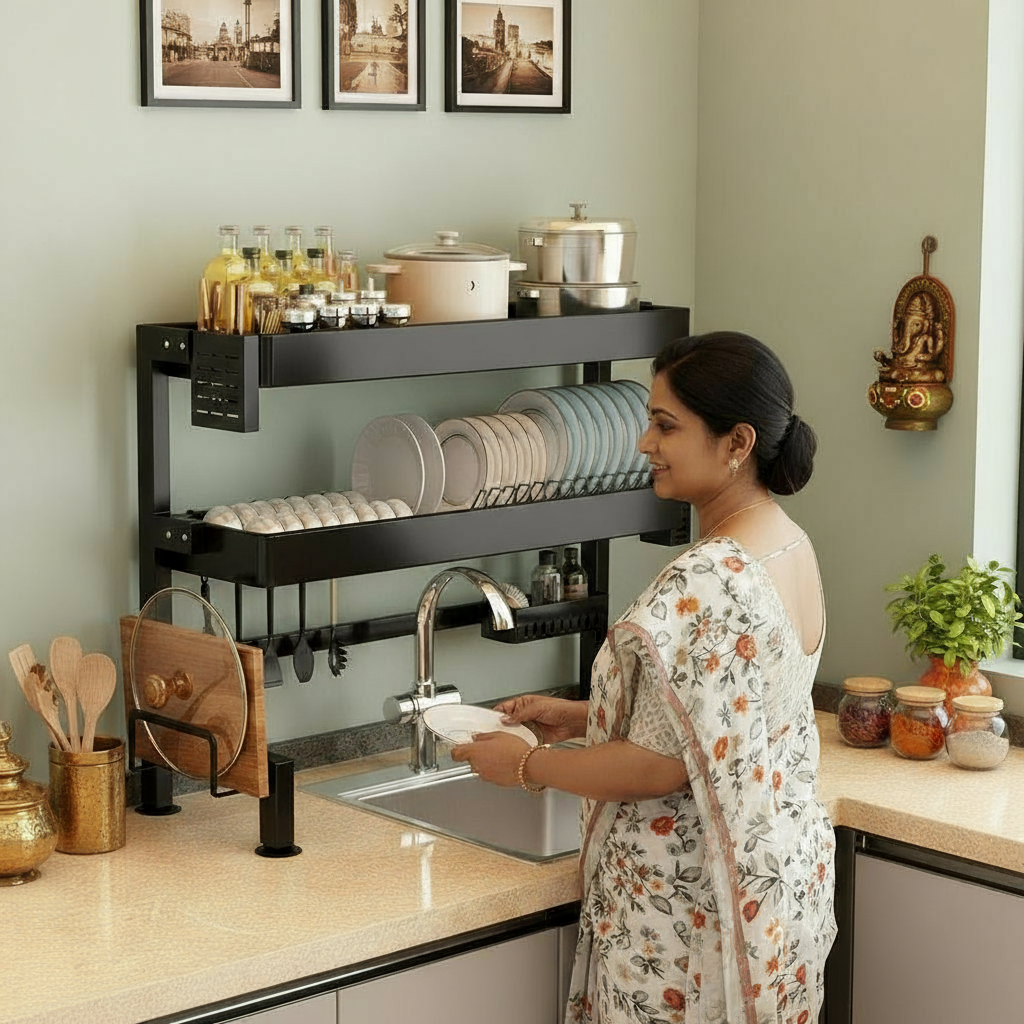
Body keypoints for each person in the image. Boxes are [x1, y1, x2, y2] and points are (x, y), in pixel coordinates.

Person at [451, 332, 836, 1023]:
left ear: (736, 442)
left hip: (687, 919)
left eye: (666, 425)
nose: (643, 443)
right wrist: (581, 716)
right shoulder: (786, 542)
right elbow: (723, 713)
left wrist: (529, 764)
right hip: (775, 898)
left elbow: (658, 767)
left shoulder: (708, 577)